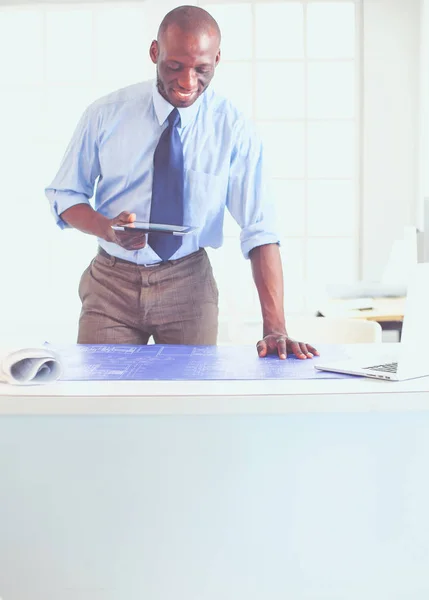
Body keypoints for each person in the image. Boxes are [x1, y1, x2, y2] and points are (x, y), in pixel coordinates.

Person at [45, 5, 318, 361]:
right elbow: (65, 194)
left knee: (191, 403)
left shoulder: (232, 128)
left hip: (188, 284)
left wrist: (275, 326)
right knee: (102, 399)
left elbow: (260, 228)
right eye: (175, 66)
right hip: (111, 284)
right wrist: (106, 228)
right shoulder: (105, 114)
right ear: (155, 52)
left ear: (217, 59)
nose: (188, 82)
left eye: (202, 69)